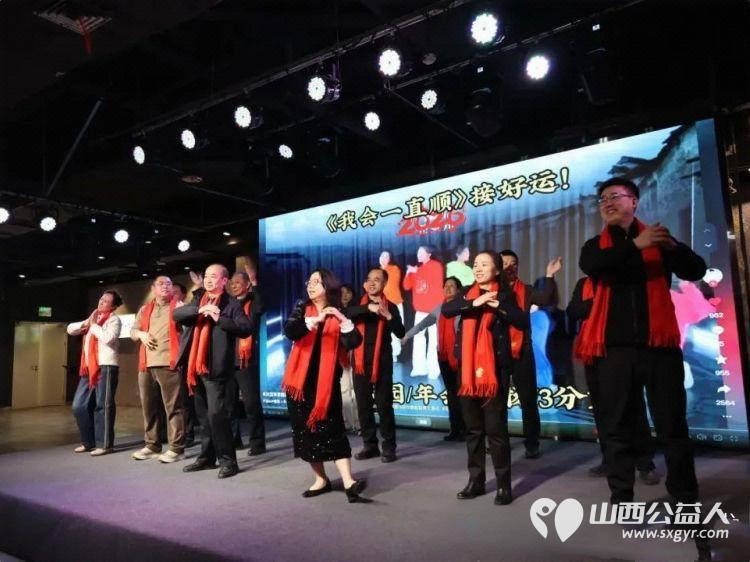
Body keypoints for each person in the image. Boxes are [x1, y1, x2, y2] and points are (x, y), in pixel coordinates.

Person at [576, 177, 706, 508]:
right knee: (617, 428)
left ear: (633, 202)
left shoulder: (659, 240)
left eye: (615, 196)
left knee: (673, 428)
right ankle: (622, 499)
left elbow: (695, 270)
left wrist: (671, 246)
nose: (607, 203)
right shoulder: (596, 246)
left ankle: (685, 501)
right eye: (602, 199)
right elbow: (593, 266)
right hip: (615, 351)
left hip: (660, 348)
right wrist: (636, 245)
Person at [442, 251, 524, 505]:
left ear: (497, 270)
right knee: (473, 429)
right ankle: (475, 481)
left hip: (494, 371)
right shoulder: (468, 292)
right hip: (467, 371)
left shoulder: (505, 294)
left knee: (496, 429)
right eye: (476, 264)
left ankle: (503, 485)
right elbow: (447, 309)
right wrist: (473, 303)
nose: (477, 268)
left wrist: (500, 307)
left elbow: (521, 321)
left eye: (484, 264)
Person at [282, 269, 370, 503]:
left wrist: (342, 320)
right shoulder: (302, 308)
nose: (311, 286)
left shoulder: (338, 311)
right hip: (299, 383)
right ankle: (321, 479)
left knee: (333, 430)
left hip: (326, 384)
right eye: (309, 282)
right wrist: (313, 321)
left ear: (328, 286)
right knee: (305, 434)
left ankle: (349, 481)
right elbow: (290, 330)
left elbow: (354, 342)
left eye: (317, 282)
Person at [568, 276, 660, 485]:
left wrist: (602, 305)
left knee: (633, 407)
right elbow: (573, 310)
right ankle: (609, 460)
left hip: (622, 351)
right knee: (601, 409)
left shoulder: (621, 281)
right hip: (593, 353)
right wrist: (599, 303)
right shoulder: (584, 284)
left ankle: (645, 464)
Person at [174, 264, 253, 479]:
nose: (208, 280)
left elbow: (246, 328)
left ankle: (228, 461)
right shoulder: (199, 299)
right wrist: (200, 310)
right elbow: (177, 314)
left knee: (218, 415)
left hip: (217, 368)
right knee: (203, 416)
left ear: (224, 281)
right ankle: (207, 458)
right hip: (195, 367)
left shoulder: (231, 303)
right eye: (207, 276)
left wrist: (220, 318)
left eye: (213, 277)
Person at [499, 250, 562, 459]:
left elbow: (544, 298)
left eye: (513, 263)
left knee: (528, 400)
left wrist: (550, 275)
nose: (510, 267)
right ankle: (498, 442)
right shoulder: (490, 290)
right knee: (497, 401)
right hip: (498, 351)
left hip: (522, 351)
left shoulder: (525, 290)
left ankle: (532, 443)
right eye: (504, 263)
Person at [347, 267, 405, 463]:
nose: (372, 283)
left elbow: (400, 332)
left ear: (384, 283)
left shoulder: (391, 306)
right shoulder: (357, 303)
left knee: (384, 405)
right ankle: (370, 445)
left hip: (382, 361)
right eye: (369, 279)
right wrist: (368, 308)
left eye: (377, 279)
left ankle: (389, 447)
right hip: (360, 361)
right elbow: (346, 313)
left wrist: (388, 316)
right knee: (363, 405)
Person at [130, 276, 187, 463]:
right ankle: (152, 445)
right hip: (146, 364)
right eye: (161, 284)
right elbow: (133, 332)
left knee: (173, 407)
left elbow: (189, 329)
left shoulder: (179, 307)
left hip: (168, 363)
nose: (165, 286)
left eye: (169, 284)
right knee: (149, 407)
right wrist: (141, 334)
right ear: (153, 288)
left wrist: (184, 312)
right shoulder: (145, 309)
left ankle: (176, 448)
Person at [403, 276, 465, 441]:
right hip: (443, 356)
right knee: (451, 394)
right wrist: (407, 335)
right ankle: (455, 429)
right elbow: (422, 325)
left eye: (452, 286)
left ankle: (467, 430)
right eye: (445, 286)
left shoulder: (463, 307)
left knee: (463, 395)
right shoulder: (439, 309)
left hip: (460, 357)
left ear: (459, 290)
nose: (448, 288)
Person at [67, 290, 123, 456]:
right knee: (79, 406)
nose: (101, 301)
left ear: (113, 306)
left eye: (106, 301)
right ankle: (88, 442)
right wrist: (87, 323)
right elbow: (70, 329)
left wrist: (93, 325)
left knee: (102, 405)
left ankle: (104, 444)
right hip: (89, 368)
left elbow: (108, 338)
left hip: (106, 366)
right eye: (101, 298)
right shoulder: (93, 319)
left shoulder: (114, 320)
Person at [226, 270, 267, 455]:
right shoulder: (228, 304)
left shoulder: (253, 302)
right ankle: (235, 440)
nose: (234, 285)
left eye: (237, 282)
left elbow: (261, 306)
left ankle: (257, 443)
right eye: (232, 283)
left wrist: (255, 283)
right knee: (229, 405)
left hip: (246, 361)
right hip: (228, 360)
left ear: (247, 284)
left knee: (251, 404)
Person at [403, 246, 444, 378]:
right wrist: (408, 273)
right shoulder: (417, 269)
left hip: (434, 311)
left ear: (429, 254)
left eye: (421, 252)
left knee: (434, 340)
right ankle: (419, 368)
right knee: (418, 338)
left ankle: (434, 370)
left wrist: (416, 270)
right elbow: (406, 286)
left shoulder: (436, 266)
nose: (418, 255)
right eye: (418, 252)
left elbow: (432, 277)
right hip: (420, 310)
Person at [379, 251, 404, 361]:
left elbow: (389, 283)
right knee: (381, 330)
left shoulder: (394, 269)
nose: (383, 258)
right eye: (382, 256)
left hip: (394, 303)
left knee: (394, 329)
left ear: (389, 259)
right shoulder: (377, 271)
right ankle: (384, 354)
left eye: (386, 257)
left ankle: (394, 354)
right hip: (381, 304)